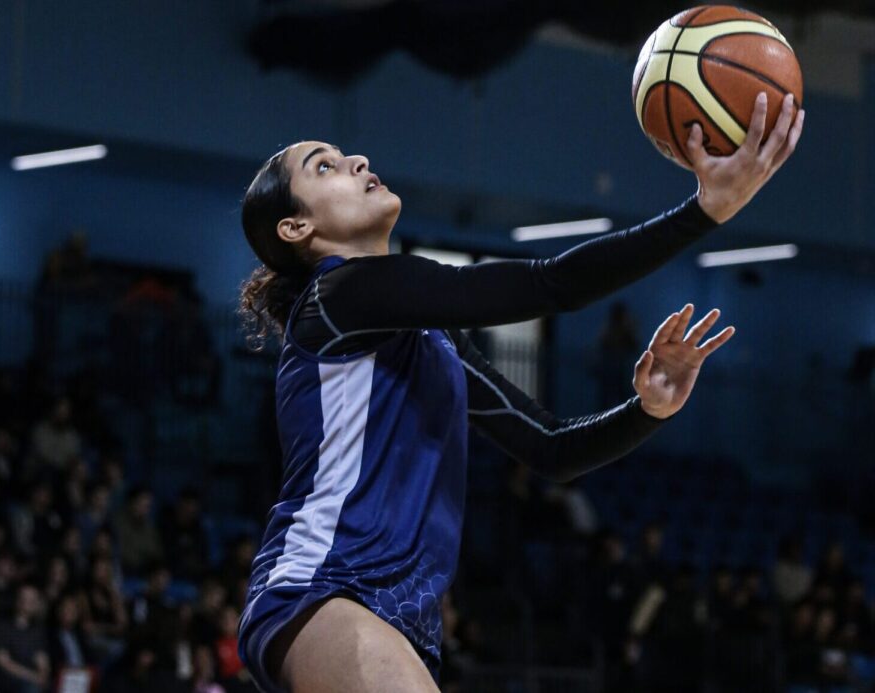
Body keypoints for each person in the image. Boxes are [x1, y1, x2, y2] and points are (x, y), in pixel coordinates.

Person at [234, 89, 804, 693]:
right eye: (324, 166)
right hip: (323, 586)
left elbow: (550, 448)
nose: (355, 161)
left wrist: (649, 410)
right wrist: (701, 213)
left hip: (401, 615)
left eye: (345, 154)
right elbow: (548, 286)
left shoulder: (431, 335)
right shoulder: (338, 297)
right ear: (296, 226)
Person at [0, 584, 50, 693]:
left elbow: (42, 659)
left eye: (32, 599)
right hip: (10, 679)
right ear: (17, 600)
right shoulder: (3, 627)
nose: (27, 602)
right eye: (24, 598)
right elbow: (3, 661)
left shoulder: (37, 630)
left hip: (32, 678)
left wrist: (43, 675)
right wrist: (32, 676)